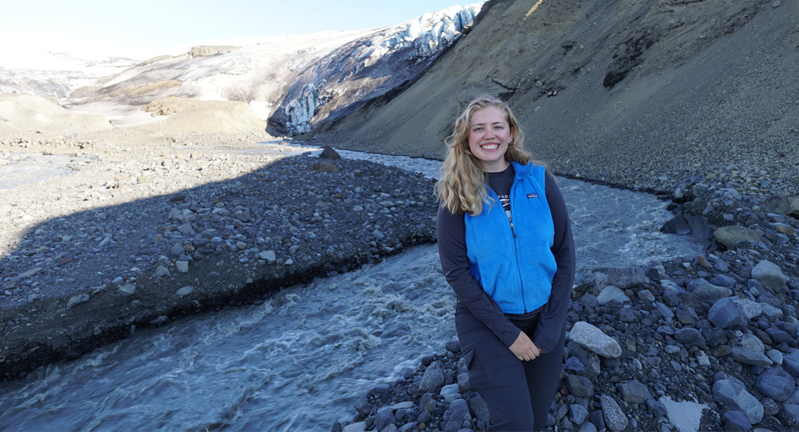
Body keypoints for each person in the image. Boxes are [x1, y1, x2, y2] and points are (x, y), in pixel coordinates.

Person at [435, 95, 575, 431]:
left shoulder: (540, 181)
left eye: (497, 126)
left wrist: (550, 328)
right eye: (479, 128)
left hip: (543, 319)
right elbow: (457, 275)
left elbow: (565, 255)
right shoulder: (456, 197)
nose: (489, 135)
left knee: (536, 421)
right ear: (467, 138)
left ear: (510, 133)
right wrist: (510, 335)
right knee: (515, 422)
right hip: (486, 325)